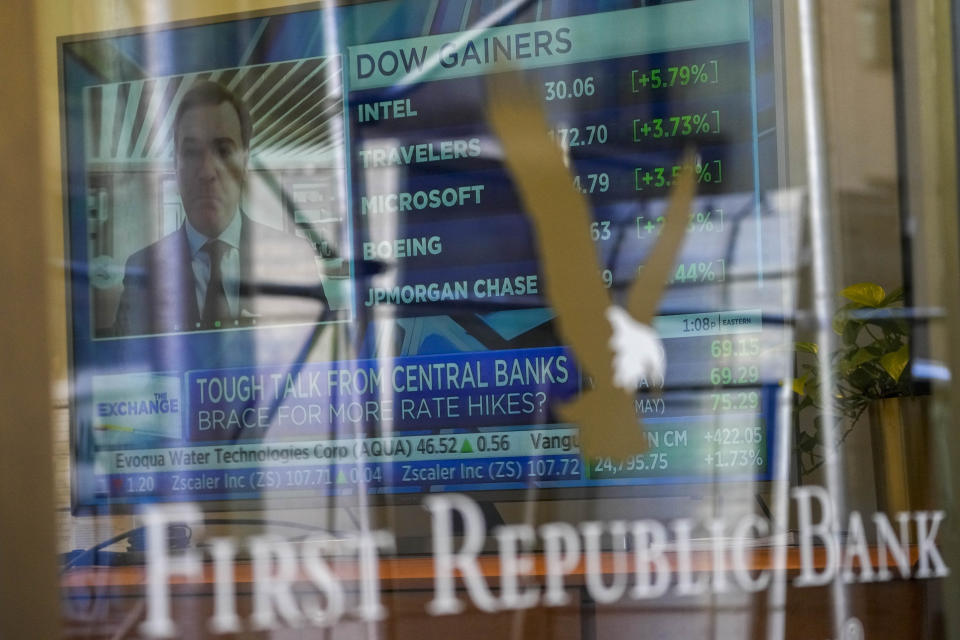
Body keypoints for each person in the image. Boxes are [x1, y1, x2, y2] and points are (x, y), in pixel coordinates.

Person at [113, 81, 328, 336]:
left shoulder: (294, 258)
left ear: (245, 162)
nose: (206, 172)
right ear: (175, 165)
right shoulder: (142, 269)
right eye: (192, 152)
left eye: (224, 151)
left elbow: (326, 359)